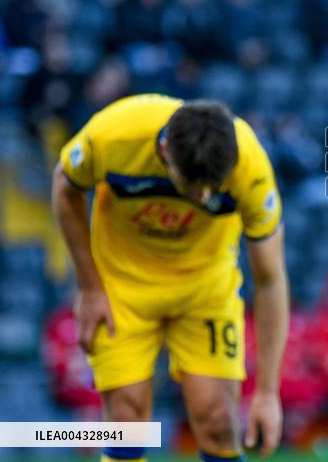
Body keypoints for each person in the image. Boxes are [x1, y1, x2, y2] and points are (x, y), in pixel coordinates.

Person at [51, 94, 289, 462]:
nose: (204, 196)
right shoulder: (115, 135)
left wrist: (267, 393)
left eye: (213, 188)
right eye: (193, 186)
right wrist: (90, 287)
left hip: (204, 288)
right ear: (164, 151)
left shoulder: (250, 167)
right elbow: (65, 186)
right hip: (122, 287)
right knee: (126, 421)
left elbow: (271, 279)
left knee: (219, 421)